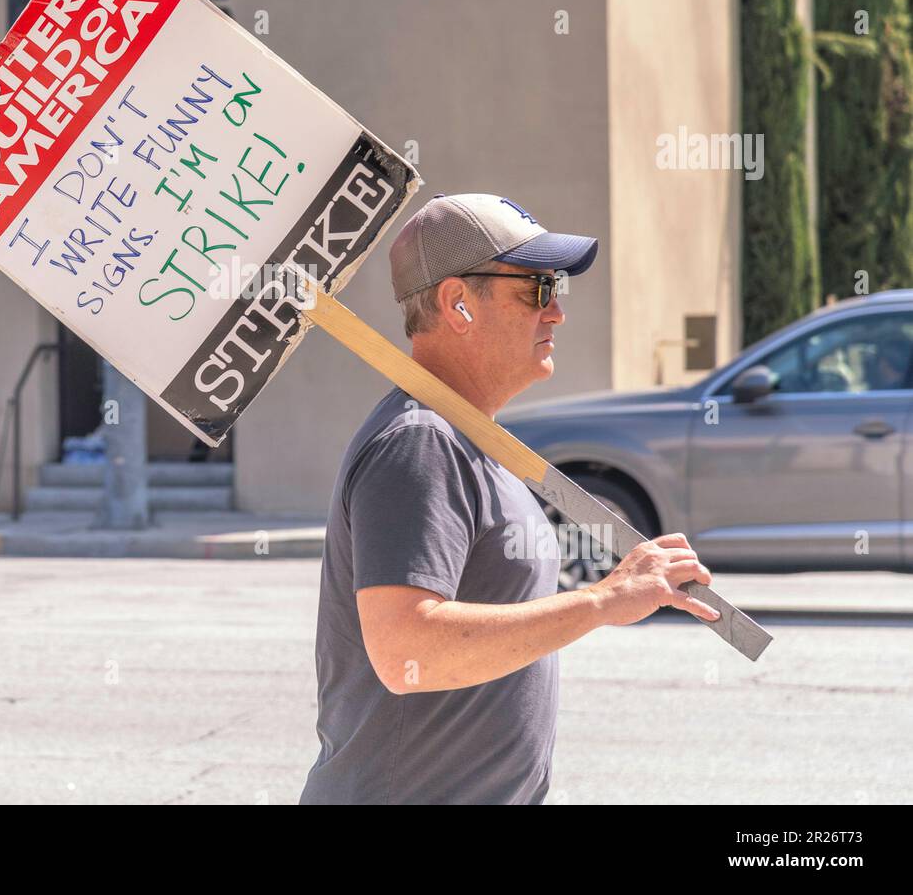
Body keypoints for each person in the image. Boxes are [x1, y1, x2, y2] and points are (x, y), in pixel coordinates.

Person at [298, 192, 719, 805]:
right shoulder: (421, 444)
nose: (557, 314)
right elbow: (406, 649)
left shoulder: (466, 438)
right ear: (458, 303)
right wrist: (602, 600)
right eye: (537, 289)